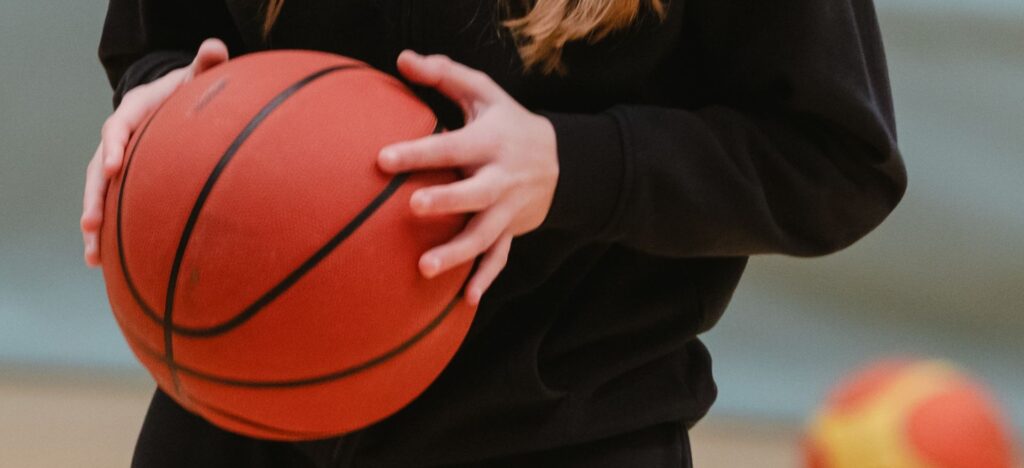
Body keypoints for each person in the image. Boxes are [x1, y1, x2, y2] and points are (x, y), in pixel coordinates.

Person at [81, 0, 907, 466]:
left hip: (561, 428)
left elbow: (837, 161)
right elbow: (160, 37)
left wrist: (569, 166)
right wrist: (162, 99)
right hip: (238, 406)